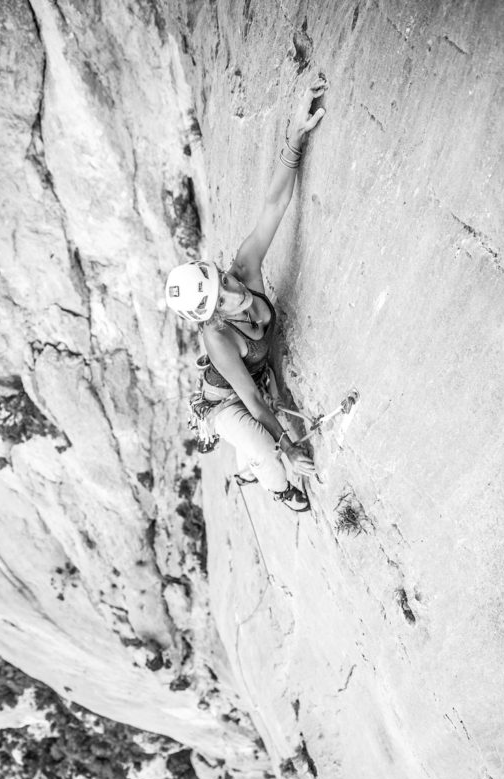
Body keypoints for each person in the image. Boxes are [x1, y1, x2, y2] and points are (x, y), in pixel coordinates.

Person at [165, 74, 327, 512]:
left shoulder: (244, 267)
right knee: (270, 455)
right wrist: (287, 449)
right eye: (221, 299)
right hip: (225, 403)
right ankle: (278, 491)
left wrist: (294, 135)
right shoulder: (218, 339)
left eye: (223, 280)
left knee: (261, 441)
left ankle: (250, 463)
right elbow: (252, 400)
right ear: (209, 315)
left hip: (249, 384)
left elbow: (273, 206)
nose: (233, 290)